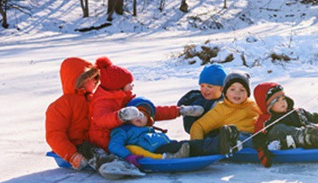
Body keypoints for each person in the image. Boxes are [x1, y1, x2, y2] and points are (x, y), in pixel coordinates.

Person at [45, 57, 144, 179]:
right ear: (81, 81)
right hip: (76, 145)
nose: (96, 82)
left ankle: (129, 159)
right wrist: (71, 155)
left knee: (116, 141)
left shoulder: (93, 99)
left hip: (94, 139)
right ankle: (109, 165)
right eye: (93, 79)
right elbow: (54, 134)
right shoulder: (60, 105)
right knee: (92, 150)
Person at [89, 56, 202, 151]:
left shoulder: (125, 98)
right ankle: (170, 152)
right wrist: (121, 116)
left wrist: (179, 111)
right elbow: (102, 119)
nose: (132, 86)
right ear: (118, 86)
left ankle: (182, 148)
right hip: (108, 140)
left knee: (152, 138)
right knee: (147, 142)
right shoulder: (102, 101)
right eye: (129, 83)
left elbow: (149, 112)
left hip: (128, 134)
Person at [108, 97, 238, 165]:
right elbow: (114, 145)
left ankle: (224, 142)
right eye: (136, 114)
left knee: (192, 147)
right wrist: (128, 156)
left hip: (168, 145)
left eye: (144, 115)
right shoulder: (123, 130)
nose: (140, 117)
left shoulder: (149, 129)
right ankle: (220, 143)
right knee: (192, 146)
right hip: (156, 150)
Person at [188, 71, 260, 151]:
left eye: (242, 90)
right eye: (232, 89)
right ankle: (232, 143)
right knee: (241, 138)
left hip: (254, 137)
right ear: (225, 92)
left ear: (247, 93)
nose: (237, 93)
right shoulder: (221, 109)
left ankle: (273, 143)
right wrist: (197, 146)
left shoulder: (252, 105)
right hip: (234, 138)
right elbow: (198, 126)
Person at [177, 64, 226, 135]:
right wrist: (190, 111)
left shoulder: (227, 100)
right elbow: (189, 127)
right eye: (202, 86)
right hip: (201, 134)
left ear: (222, 88)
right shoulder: (200, 100)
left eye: (209, 86)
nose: (205, 90)